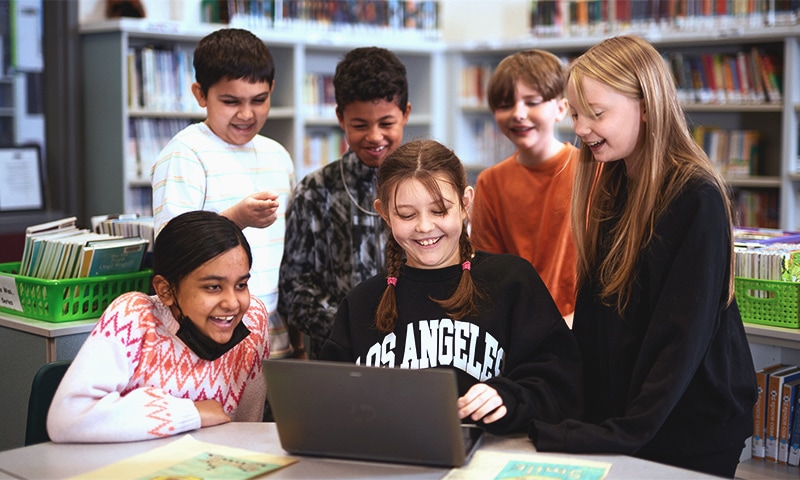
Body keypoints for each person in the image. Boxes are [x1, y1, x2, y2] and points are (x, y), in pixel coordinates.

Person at [528, 35, 757, 478]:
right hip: (631, 417)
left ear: (647, 105)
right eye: (575, 113)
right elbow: (597, 322)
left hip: (686, 426)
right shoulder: (614, 184)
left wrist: (616, 434)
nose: (580, 129)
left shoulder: (696, 196)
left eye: (596, 114)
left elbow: (680, 339)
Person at [319, 139, 583, 435]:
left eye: (440, 210)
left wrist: (508, 396)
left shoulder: (512, 281)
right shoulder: (361, 303)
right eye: (406, 215)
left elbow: (562, 386)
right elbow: (327, 404)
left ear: (465, 203)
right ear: (384, 213)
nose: (424, 226)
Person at [47, 211, 269, 442]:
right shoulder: (134, 316)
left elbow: (246, 429)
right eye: (213, 287)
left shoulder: (253, 318)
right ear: (165, 290)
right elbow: (66, 420)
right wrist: (190, 413)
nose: (232, 303)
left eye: (241, 284)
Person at [150, 28, 301, 360]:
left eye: (259, 100)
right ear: (200, 94)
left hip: (271, 327)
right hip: (208, 333)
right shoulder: (186, 154)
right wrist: (237, 220)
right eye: (231, 101)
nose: (247, 114)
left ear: (272, 90)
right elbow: (174, 251)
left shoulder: (278, 154)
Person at [279, 46, 411, 358]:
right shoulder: (314, 191)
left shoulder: (427, 186)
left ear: (405, 113)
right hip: (337, 355)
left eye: (387, 123)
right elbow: (294, 288)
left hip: (417, 350)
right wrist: (352, 330)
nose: (375, 136)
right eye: (360, 125)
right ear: (340, 117)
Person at [469, 49, 578, 321]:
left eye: (532, 102)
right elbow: (488, 271)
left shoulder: (592, 170)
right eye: (505, 105)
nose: (518, 113)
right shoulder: (490, 182)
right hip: (519, 324)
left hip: (584, 323)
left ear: (561, 108)